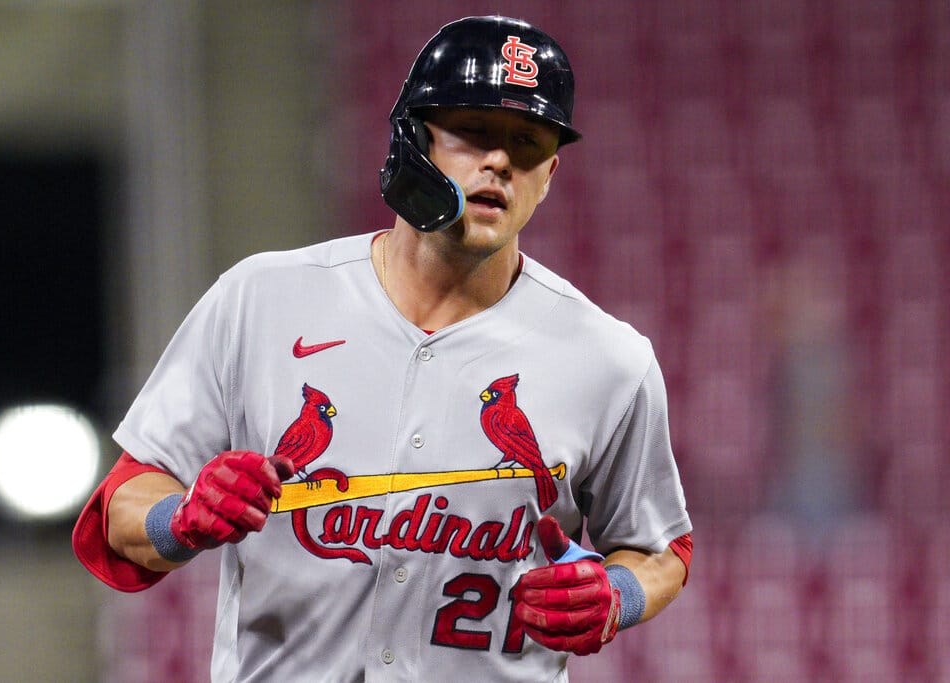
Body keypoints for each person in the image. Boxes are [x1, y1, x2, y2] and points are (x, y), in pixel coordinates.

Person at [73, 15, 693, 682]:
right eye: (473, 133)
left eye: (528, 143)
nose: (500, 162)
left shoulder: (609, 358)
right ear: (411, 138)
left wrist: (617, 595)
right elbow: (119, 508)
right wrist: (181, 517)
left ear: (550, 173)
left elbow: (662, 547)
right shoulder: (260, 299)